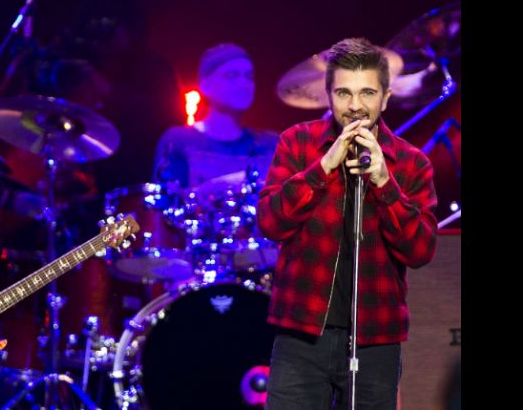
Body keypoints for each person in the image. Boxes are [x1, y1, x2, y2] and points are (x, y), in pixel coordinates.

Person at [257, 37, 438, 409]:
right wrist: (321, 168)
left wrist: (385, 184)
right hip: (300, 335)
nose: (355, 106)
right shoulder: (297, 143)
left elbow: (421, 250)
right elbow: (271, 223)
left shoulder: (411, 162)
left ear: (386, 98)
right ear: (328, 95)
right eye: (343, 93)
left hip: (375, 338)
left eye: (367, 93)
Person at [153, 43, 279, 191]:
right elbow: (164, 204)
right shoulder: (178, 140)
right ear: (205, 85)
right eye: (232, 76)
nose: (244, 83)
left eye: (249, 76)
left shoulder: (269, 143)